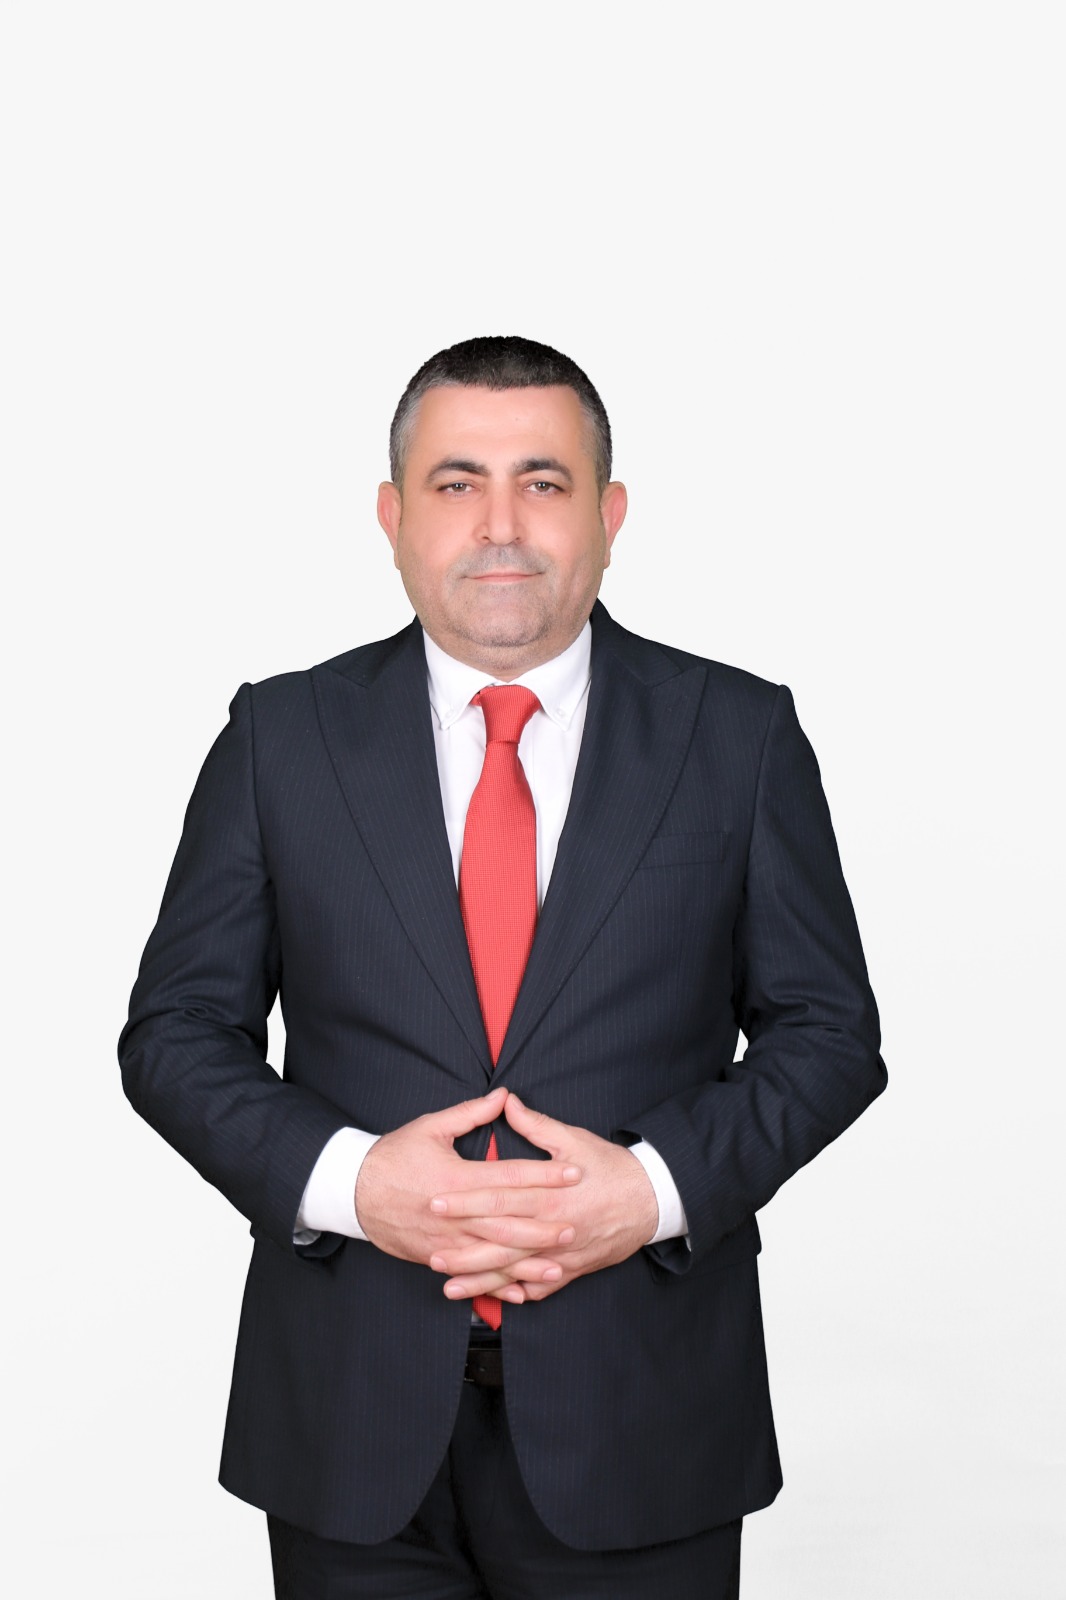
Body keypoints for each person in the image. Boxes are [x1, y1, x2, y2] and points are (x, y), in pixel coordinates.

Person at [119, 335, 886, 1599]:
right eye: (455, 482)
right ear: (392, 517)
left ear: (609, 514)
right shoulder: (280, 735)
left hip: (644, 1418)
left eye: (542, 480)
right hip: (349, 1421)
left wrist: (650, 1191)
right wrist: (352, 1182)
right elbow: (175, 1034)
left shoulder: (738, 734)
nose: (499, 526)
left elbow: (828, 1034)